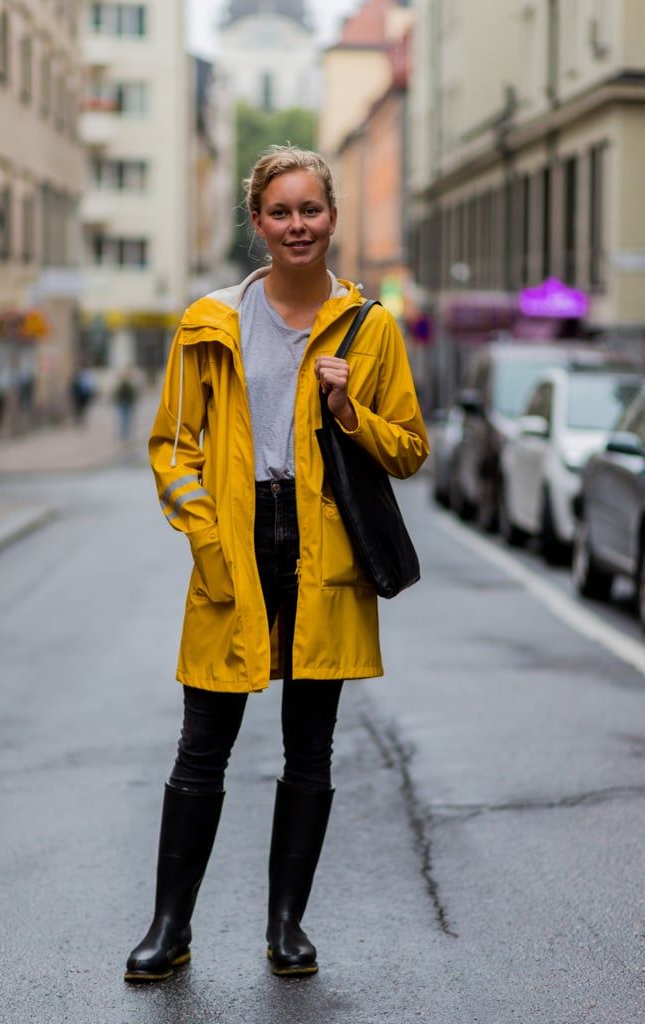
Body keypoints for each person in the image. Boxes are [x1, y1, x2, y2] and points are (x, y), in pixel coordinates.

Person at [125, 146, 429, 983]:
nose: (298, 226)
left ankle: (286, 927)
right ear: (257, 222)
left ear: (332, 217)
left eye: (311, 210)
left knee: (310, 748)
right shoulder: (209, 321)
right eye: (281, 212)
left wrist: (347, 407)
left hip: (323, 551)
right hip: (236, 546)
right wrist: (206, 534)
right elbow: (172, 446)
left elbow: (408, 451)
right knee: (202, 746)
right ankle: (169, 927)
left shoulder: (370, 327)